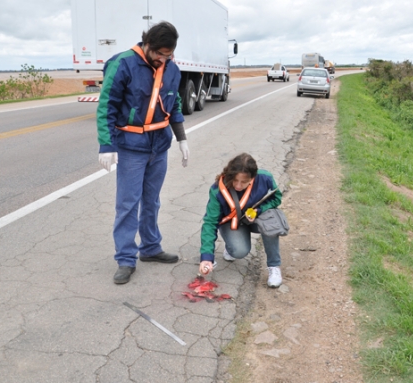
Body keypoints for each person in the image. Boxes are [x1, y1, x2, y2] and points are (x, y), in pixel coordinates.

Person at [96, 21, 189, 285]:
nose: (162, 59)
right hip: (132, 147)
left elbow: (175, 103)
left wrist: (182, 138)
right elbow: (107, 107)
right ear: (146, 44)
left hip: (159, 145)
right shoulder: (123, 64)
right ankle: (126, 258)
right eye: (159, 54)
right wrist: (107, 145)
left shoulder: (172, 69)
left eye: (167, 55)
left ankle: (150, 247)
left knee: (153, 200)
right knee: (128, 204)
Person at [198, 153, 284, 288]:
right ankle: (231, 246)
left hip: (257, 218)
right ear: (230, 175)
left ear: (253, 178)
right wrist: (207, 257)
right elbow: (210, 223)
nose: (238, 186)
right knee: (239, 252)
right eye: (235, 180)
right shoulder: (217, 190)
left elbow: (276, 198)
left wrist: (259, 211)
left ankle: (274, 267)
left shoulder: (265, 178)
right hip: (232, 222)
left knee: (271, 224)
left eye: (244, 182)